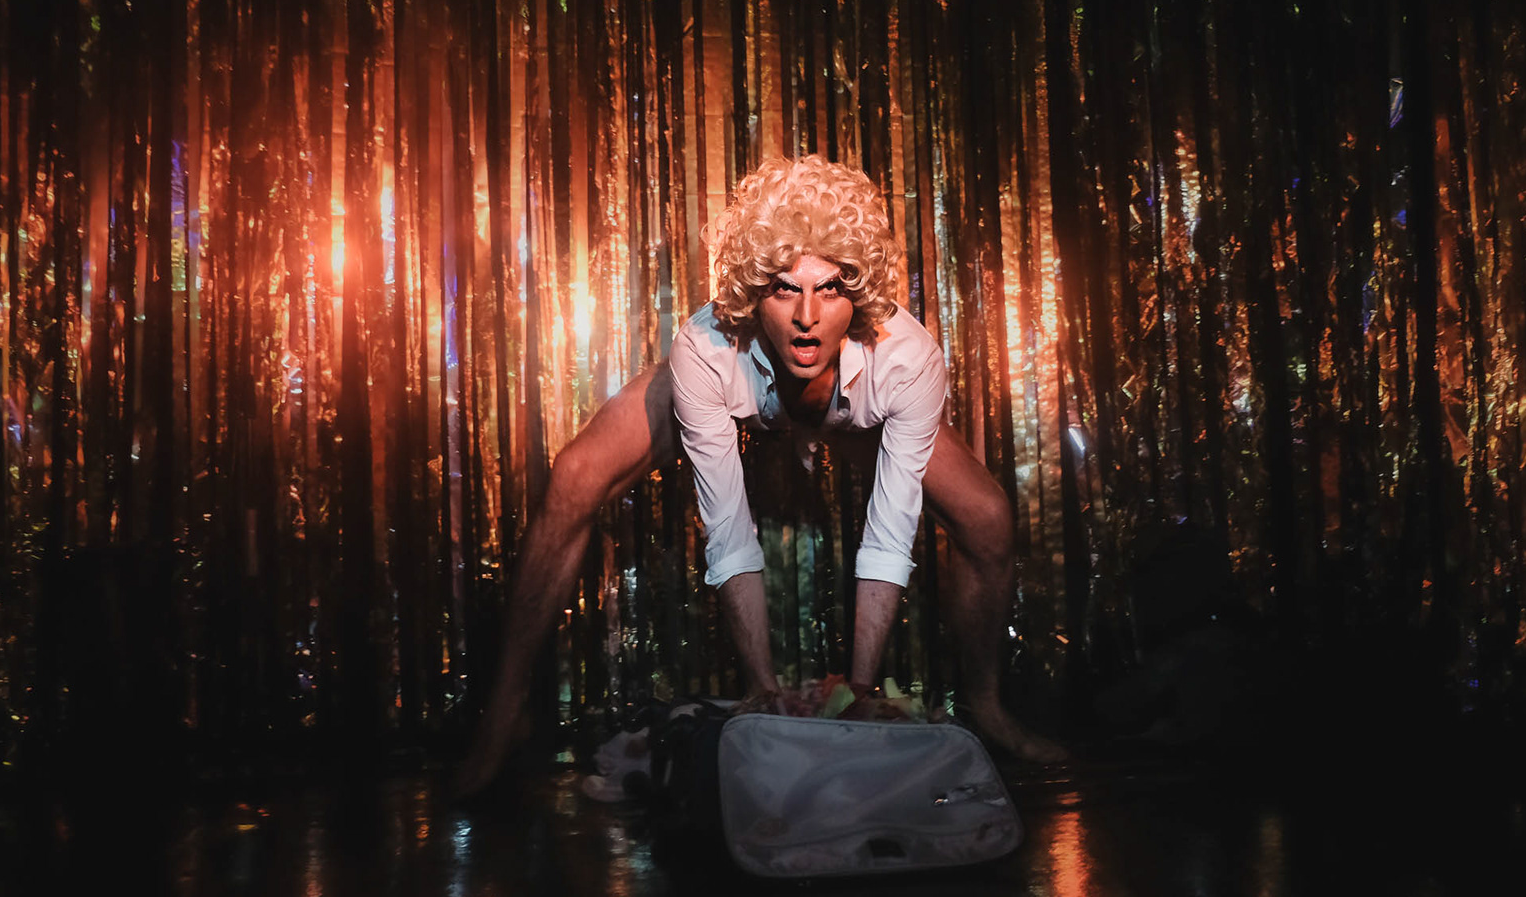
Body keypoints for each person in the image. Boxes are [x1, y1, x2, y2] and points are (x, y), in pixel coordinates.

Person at [454, 154, 1067, 795]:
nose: (807, 316)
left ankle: (988, 707)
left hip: (854, 410)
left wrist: (858, 696)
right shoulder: (706, 348)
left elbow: (889, 535)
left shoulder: (907, 360)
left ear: (856, 293)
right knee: (574, 475)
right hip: (735, 387)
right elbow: (728, 525)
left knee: (988, 515)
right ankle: (506, 712)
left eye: (829, 288)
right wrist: (761, 694)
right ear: (753, 294)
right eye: (783, 288)